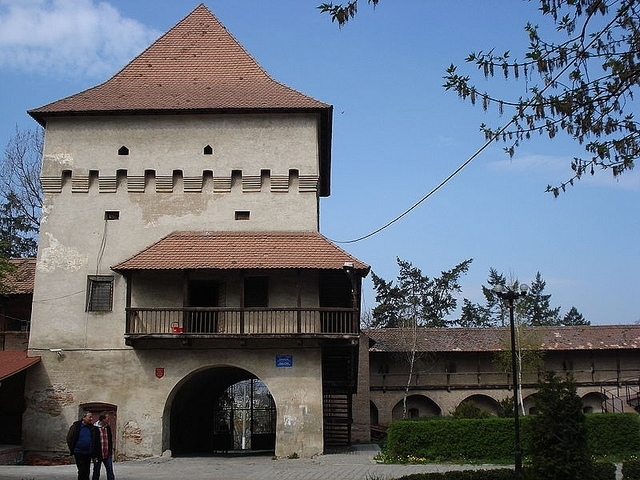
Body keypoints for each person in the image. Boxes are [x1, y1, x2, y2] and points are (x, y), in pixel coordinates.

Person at [66, 412, 96, 480]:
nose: (91, 419)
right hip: (78, 452)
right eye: (89, 417)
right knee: (82, 470)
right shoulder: (76, 427)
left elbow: (93, 439)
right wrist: (73, 448)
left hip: (88, 452)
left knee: (87, 471)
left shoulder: (91, 428)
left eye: (91, 417)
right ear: (84, 417)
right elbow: (69, 438)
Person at [92, 413, 115, 480]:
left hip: (107, 453)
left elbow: (110, 440)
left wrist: (110, 451)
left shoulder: (107, 427)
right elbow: (93, 442)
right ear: (103, 419)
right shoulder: (95, 428)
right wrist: (94, 455)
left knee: (110, 470)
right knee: (96, 471)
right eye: (107, 418)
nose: (109, 419)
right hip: (98, 454)